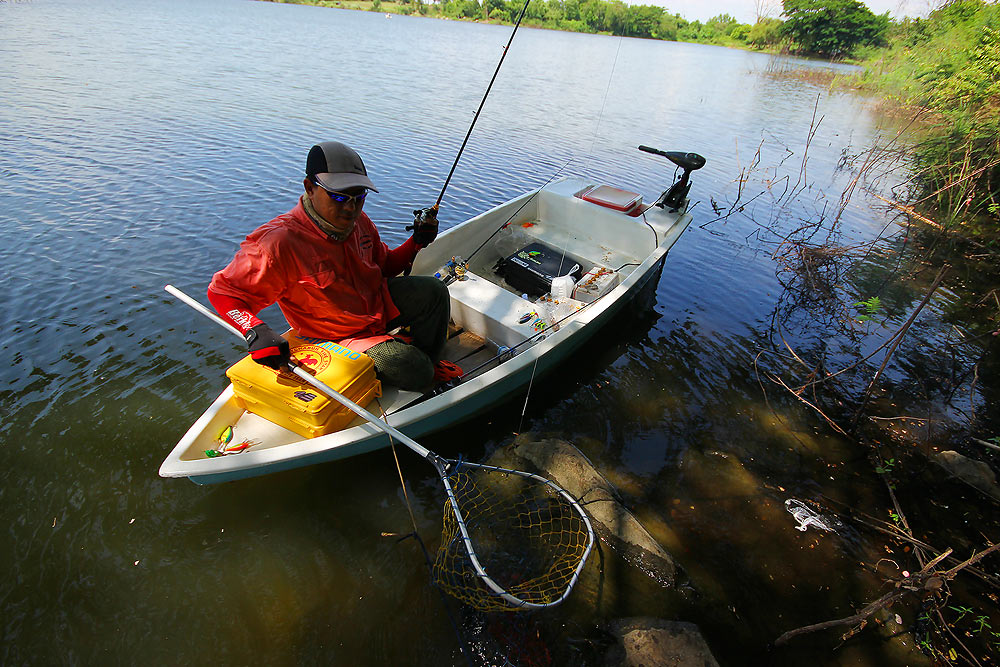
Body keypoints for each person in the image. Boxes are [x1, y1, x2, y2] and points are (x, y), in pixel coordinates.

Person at [207, 141, 451, 392]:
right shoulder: (278, 242)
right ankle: (417, 366)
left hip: (375, 309)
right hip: (338, 337)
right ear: (309, 188)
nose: (350, 208)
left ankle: (427, 362)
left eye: (359, 197)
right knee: (411, 367)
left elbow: (386, 266)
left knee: (434, 290)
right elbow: (223, 292)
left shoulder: (359, 221)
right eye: (338, 196)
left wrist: (416, 242)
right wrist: (255, 331)